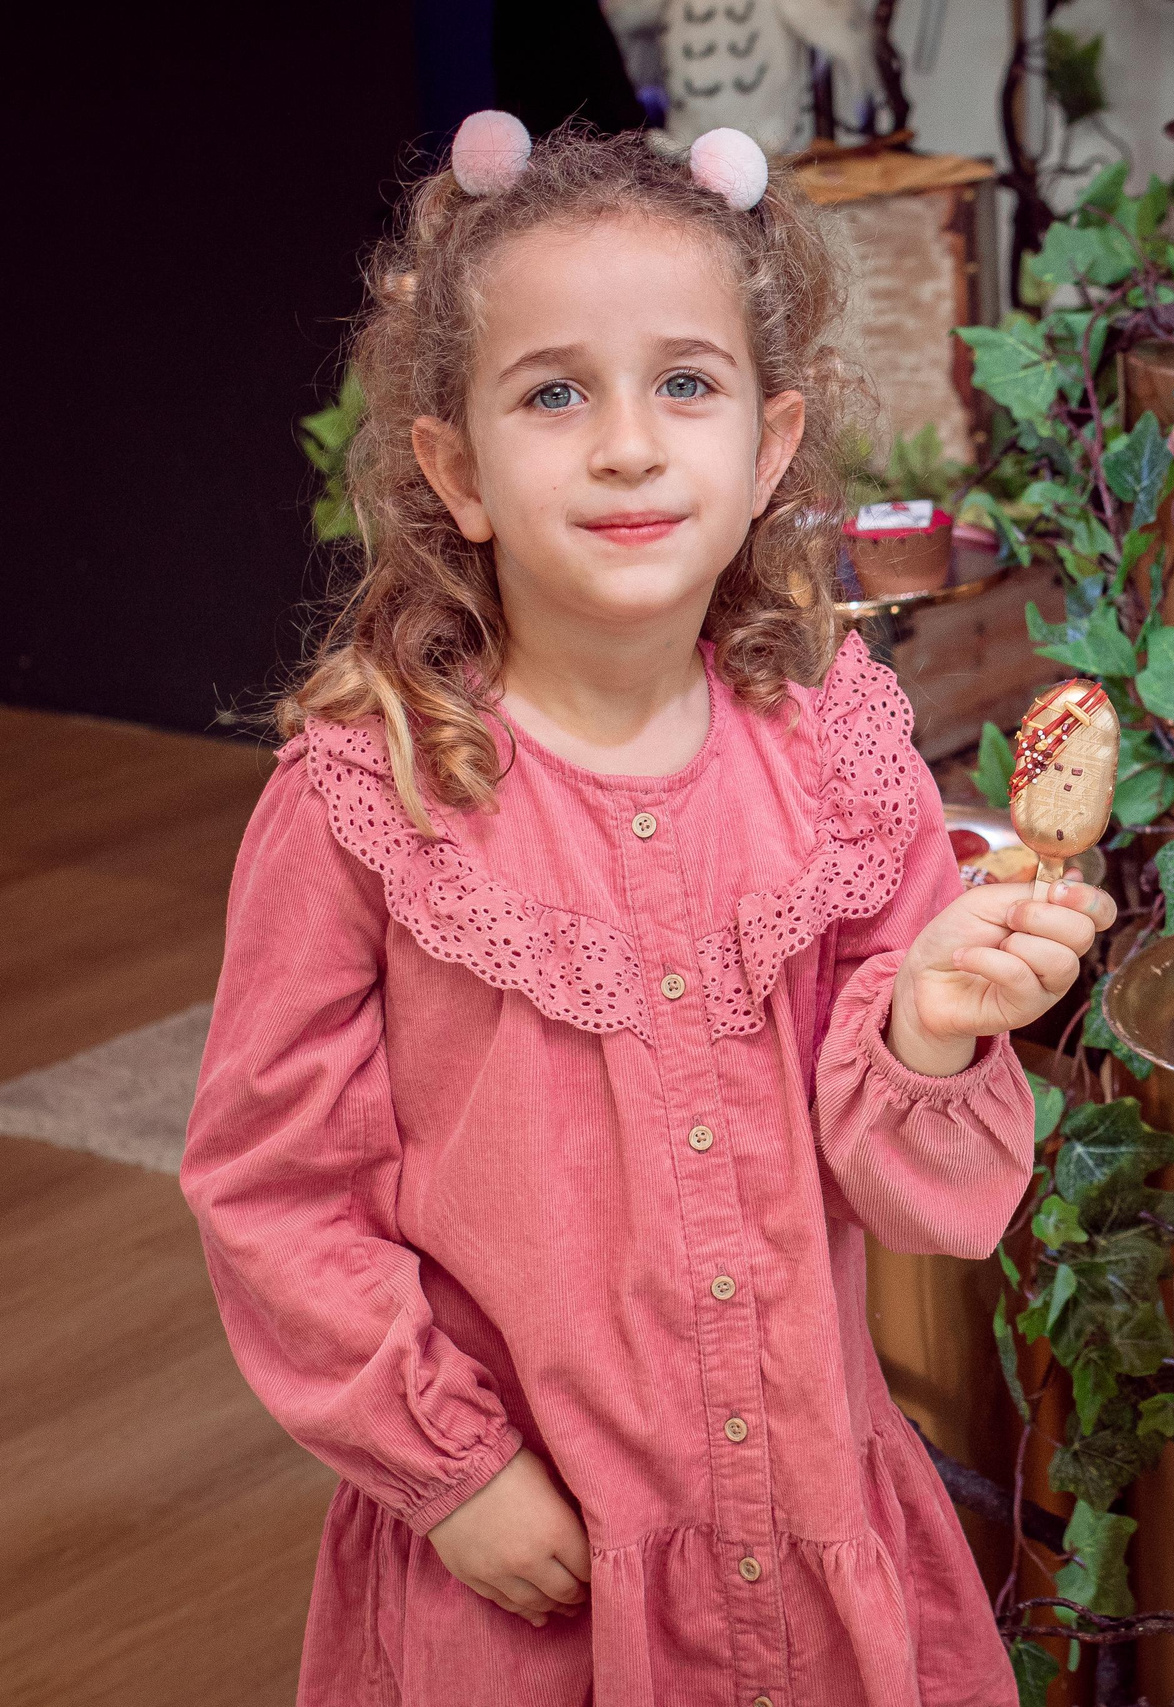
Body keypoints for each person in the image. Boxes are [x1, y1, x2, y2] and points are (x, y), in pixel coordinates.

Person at [181, 113, 1105, 1707]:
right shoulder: (364, 796)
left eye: (686, 383)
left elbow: (919, 1195)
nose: (627, 444)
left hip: (809, 1520)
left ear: (767, 450)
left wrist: (934, 1028)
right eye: (556, 393)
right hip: (531, 1574)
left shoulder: (843, 764)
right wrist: (452, 1469)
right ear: (457, 472)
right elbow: (273, 1192)